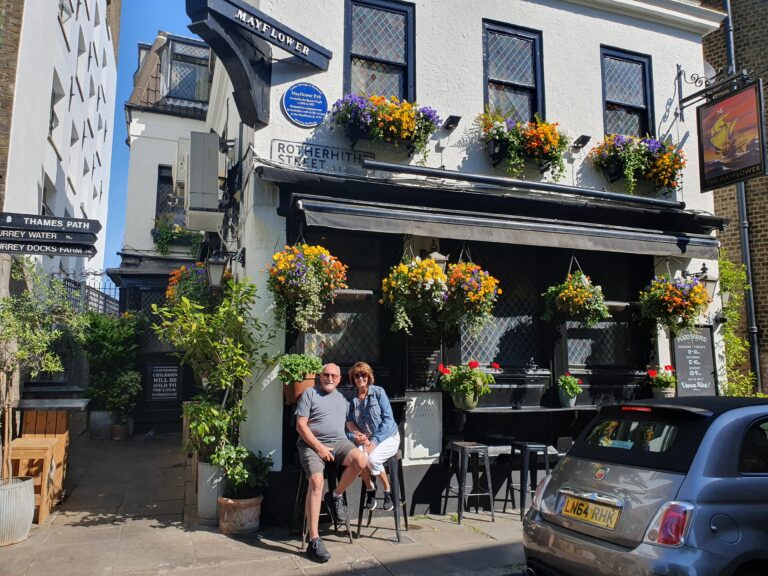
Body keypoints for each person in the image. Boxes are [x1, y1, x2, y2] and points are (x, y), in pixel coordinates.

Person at [295, 362, 366, 563]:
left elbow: (348, 423)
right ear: (320, 376)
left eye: (334, 376)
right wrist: (319, 448)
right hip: (311, 445)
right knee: (317, 482)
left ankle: (335, 495)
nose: (330, 378)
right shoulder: (310, 394)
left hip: (338, 443)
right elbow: (300, 426)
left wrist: (356, 435)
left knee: (360, 460)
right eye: (326, 375)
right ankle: (315, 539)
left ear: (339, 379)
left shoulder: (342, 398)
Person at [345, 361, 400, 512]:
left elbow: (389, 420)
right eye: (357, 375)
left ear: (369, 377)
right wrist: (359, 435)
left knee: (373, 458)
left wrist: (374, 441)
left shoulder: (378, 392)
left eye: (363, 375)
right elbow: (349, 422)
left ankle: (388, 490)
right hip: (366, 438)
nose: (360, 378)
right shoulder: (352, 398)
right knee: (360, 459)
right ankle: (370, 488)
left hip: (387, 436)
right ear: (353, 378)